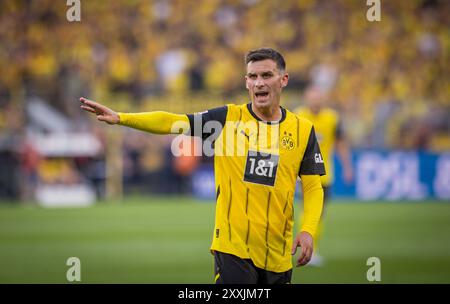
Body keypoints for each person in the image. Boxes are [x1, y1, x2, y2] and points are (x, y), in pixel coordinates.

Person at [80, 48, 325, 284]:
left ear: (283, 80)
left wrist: (308, 230)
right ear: (246, 82)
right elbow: (173, 121)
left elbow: (313, 187)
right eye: (252, 76)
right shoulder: (226, 119)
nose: (259, 82)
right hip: (233, 249)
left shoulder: (303, 130)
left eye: (266, 75)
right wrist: (122, 118)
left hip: (279, 254)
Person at [294, 85, 353, 266]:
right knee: (308, 211)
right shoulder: (298, 116)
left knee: (318, 214)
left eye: (318, 98)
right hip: (302, 174)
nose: (315, 101)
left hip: (325, 174)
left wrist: (347, 166)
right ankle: (305, 248)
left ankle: (311, 249)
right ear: (307, 99)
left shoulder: (332, 118)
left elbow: (341, 143)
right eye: (312, 98)